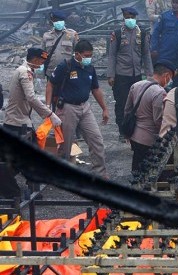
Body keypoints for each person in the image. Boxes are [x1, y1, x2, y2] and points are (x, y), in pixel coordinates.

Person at [45, 40, 110, 177]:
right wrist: (47, 106)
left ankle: (100, 174)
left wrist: (104, 108)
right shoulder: (65, 66)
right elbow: (50, 84)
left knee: (96, 140)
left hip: (85, 108)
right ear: (77, 54)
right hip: (67, 108)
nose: (88, 58)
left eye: (90, 55)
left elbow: (96, 89)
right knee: (66, 144)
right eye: (86, 55)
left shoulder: (90, 68)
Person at [108, 7, 153, 142]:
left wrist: (149, 73)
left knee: (137, 104)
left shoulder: (142, 33)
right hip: (121, 74)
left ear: (136, 18)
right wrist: (111, 75)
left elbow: (146, 54)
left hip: (136, 75)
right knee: (121, 104)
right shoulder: (117, 33)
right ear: (123, 17)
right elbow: (112, 55)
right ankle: (122, 130)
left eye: (132, 17)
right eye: (127, 17)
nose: (130, 19)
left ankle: (133, 129)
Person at [125, 60, 177, 172]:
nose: (170, 81)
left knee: (137, 166)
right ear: (166, 75)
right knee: (148, 171)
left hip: (134, 134)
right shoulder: (160, 92)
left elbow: (127, 110)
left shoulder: (136, 85)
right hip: (148, 138)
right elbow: (158, 120)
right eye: (171, 78)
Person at [4, 48, 61, 138]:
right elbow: (31, 97)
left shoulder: (24, 70)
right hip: (18, 122)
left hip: (19, 119)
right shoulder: (25, 72)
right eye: (41, 62)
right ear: (35, 60)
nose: (42, 65)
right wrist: (50, 114)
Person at [151, 0, 178, 87]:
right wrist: (154, 49)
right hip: (165, 54)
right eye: (173, 2)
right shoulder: (164, 17)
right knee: (163, 79)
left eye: (177, 3)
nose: (174, 5)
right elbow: (155, 33)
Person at [41, 10, 79, 78]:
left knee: (71, 88)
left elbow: (78, 53)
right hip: (51, 72)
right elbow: (43, 53)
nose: (58, 22)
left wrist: (76, 72)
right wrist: (41, 66)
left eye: (60, 20)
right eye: (56, 20)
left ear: (64, 21)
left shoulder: (72, 35)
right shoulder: (46, 36)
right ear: (52, 22)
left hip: (69, 71)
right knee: (51, 88)